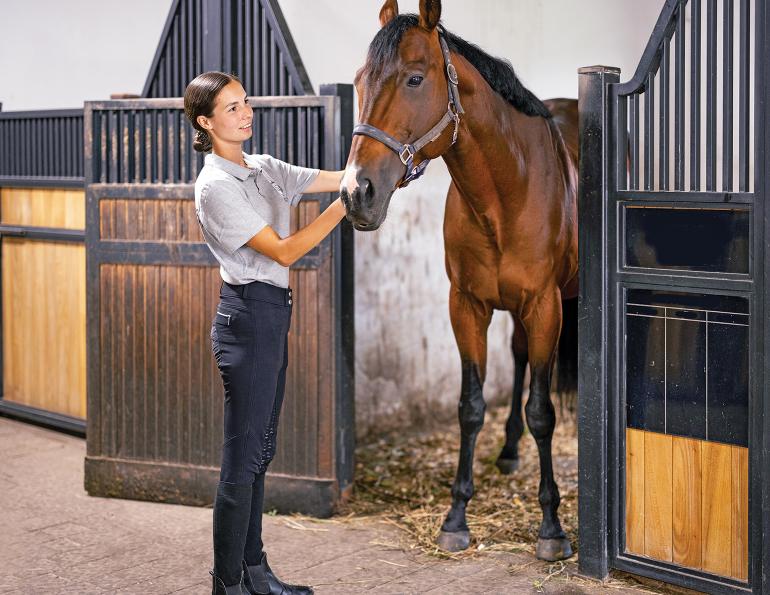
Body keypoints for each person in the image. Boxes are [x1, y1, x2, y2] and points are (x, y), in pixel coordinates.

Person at [184, 71, 347, 595]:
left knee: (260, 452)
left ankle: (254, 573)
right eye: (231, 108)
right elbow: (283, 250)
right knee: (241, 458)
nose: (246, 113)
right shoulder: (213, 188)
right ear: (206, 123)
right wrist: (349, 205)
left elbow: (332, 177)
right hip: (247, 320)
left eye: (246, 102)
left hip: (273, 312)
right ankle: (226, 584)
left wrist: (383, 168)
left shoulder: (262, 167)